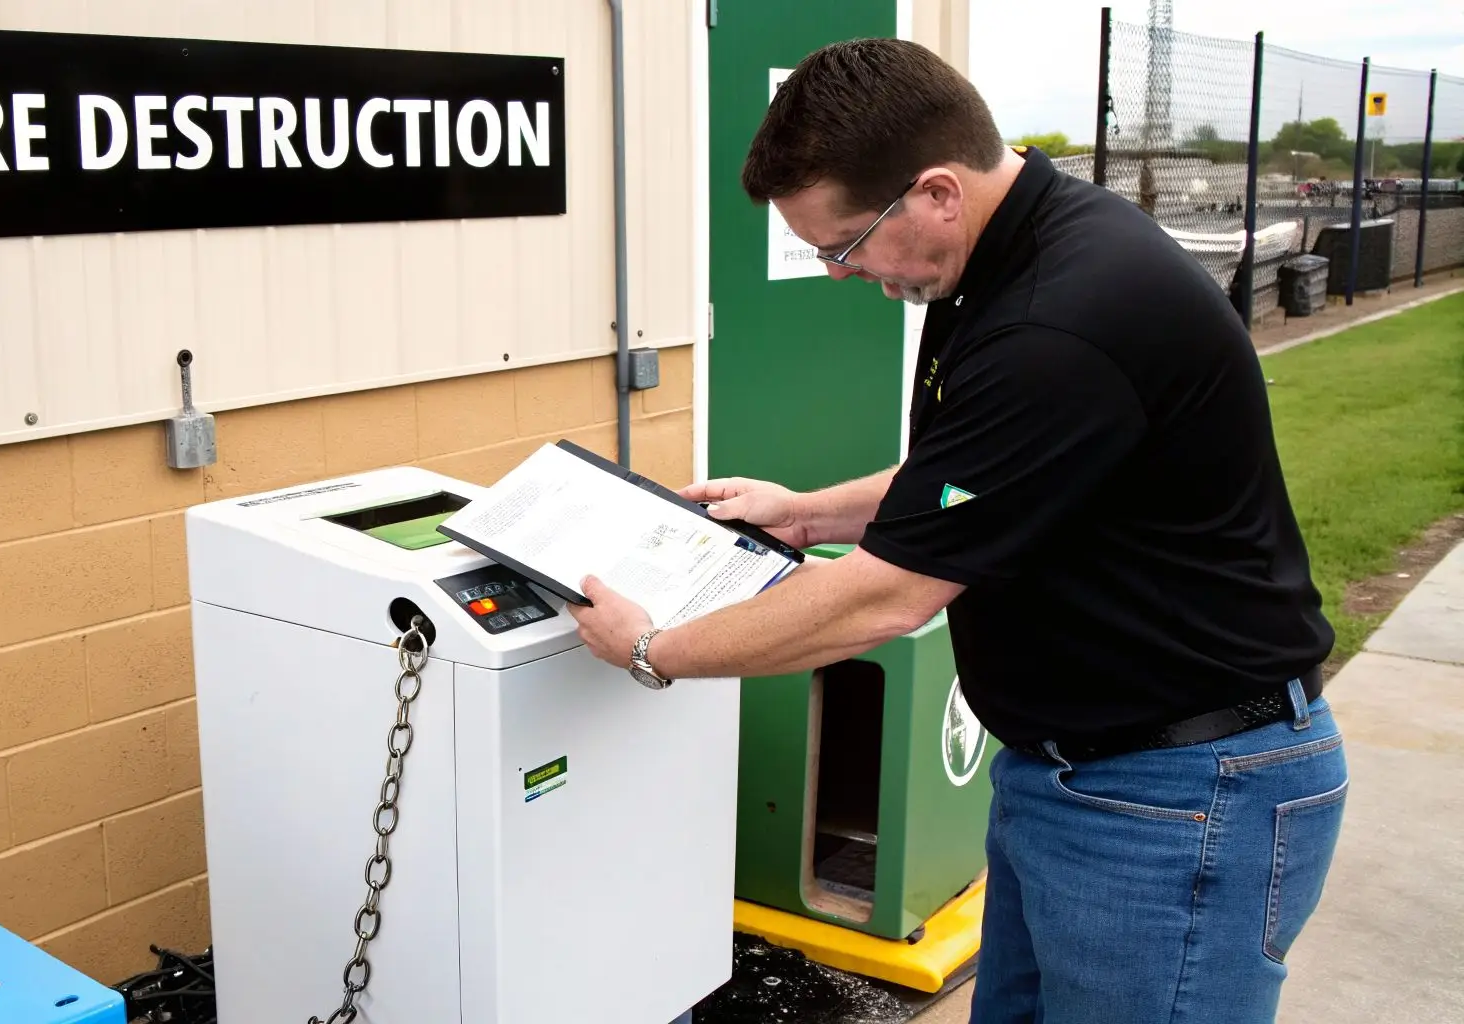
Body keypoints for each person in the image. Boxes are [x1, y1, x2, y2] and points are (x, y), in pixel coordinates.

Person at [569, 38, 1346, 1024]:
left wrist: (651, 647)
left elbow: (883, 595)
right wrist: (801, 510)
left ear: (936, 191)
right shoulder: (1003, 259)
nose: (838, 272)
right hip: (1074, 776)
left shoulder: (1057, 320)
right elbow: (965, 481)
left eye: (843, 244)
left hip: (1178, 799)